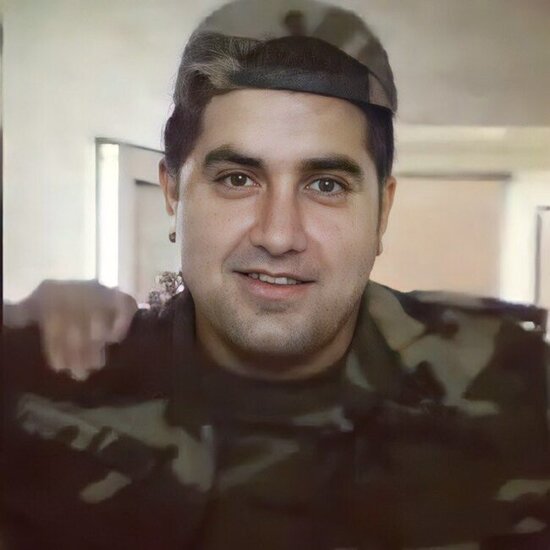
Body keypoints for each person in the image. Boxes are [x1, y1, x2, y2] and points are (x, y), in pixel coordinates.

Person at [3, 1, 549, 548]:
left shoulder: (520, 397)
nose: (279, 235)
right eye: (237, 179)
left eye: (326, 185)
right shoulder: (39, 401)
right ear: (173, 193)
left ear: (382, 211)